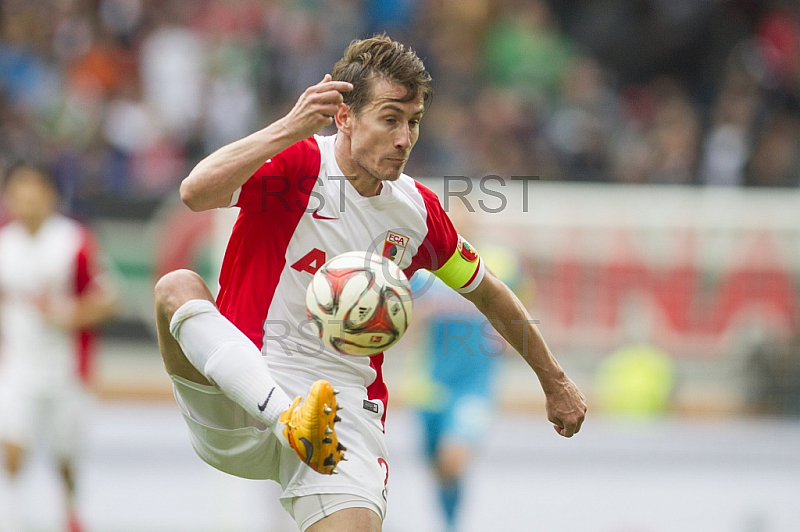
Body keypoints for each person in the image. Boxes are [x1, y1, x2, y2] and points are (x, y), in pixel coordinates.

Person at [154, 34, 587, 532]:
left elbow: (487, 290)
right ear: (344, 117)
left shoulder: (418, 213)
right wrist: (289, 127)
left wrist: (554, 381)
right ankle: (286, 416)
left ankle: (303, 428)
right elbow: (194, 192)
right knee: (177, 287)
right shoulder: (296, 164)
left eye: (414, 122)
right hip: (241, 389)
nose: (404, 137)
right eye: (390, 119)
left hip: (339, 407)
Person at [0, 163, 118, 532]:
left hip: (67, 371)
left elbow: (109, 300)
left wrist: (66, 316)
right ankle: (12, 516)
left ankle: (71, 511)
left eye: (34, 189)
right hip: (17, 368)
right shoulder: (4, 245)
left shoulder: (75, 243)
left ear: (51, 195)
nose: (26, 199)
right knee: (13, 449)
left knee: (65, 455)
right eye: (18, 190)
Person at [409, 242, 527, 532]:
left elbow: (522, 312)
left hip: (475, 388)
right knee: (439, 471)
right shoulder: (425, 272)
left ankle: (452, 527)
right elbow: (407, 328)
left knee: (453, 459)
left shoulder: (501, 263)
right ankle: (447, 523)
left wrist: (512, 339)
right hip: (432, 388)